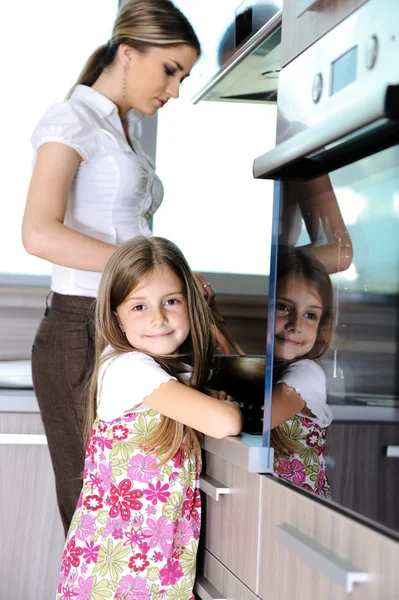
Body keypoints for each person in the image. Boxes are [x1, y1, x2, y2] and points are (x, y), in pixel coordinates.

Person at [22, 0, 229, 535]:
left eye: (183, 76)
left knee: (130, 508)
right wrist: (144, 273)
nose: (176, 89)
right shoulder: (71, 118)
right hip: (79, 328)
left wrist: (175, 287)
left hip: (120, 327)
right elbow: (38, 233)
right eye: (170, 70)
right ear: (128, 53)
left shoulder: (122, 132)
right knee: (93, 516)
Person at [54, 235, 243, 599]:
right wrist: (225, 405)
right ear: (116, 317)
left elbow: (226, 372)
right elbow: (226, 422)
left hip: (144, 568)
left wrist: (211, 319)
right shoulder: (133, 369)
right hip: (120, 574)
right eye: (139, 307)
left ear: (191, 304)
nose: (158, 317)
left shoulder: (153, 368)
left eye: (171, 301)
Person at [270, 246, 334, 496]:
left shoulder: (308, 374)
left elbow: (262, 418)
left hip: (298, 518)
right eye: (283, 307)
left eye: (310, 315)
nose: (296, 325)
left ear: (322, 324)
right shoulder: (272, 371)